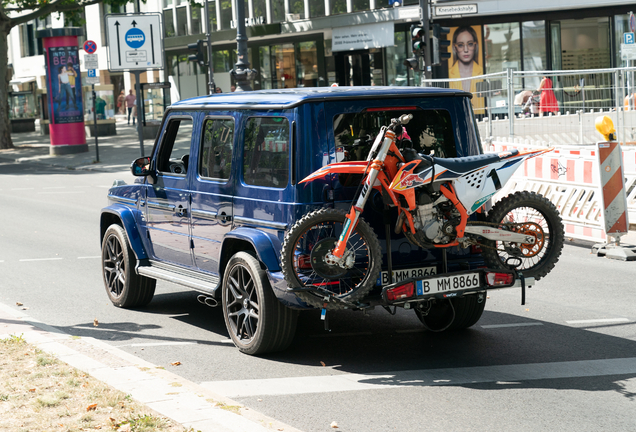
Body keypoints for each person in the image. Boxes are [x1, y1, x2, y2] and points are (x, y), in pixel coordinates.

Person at [448, 26, 484, 115]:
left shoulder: (483, 72)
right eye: (460, 45)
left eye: (470, 44)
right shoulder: (449, 74)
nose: (466, 50)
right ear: (455, 48)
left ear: (475, 46)